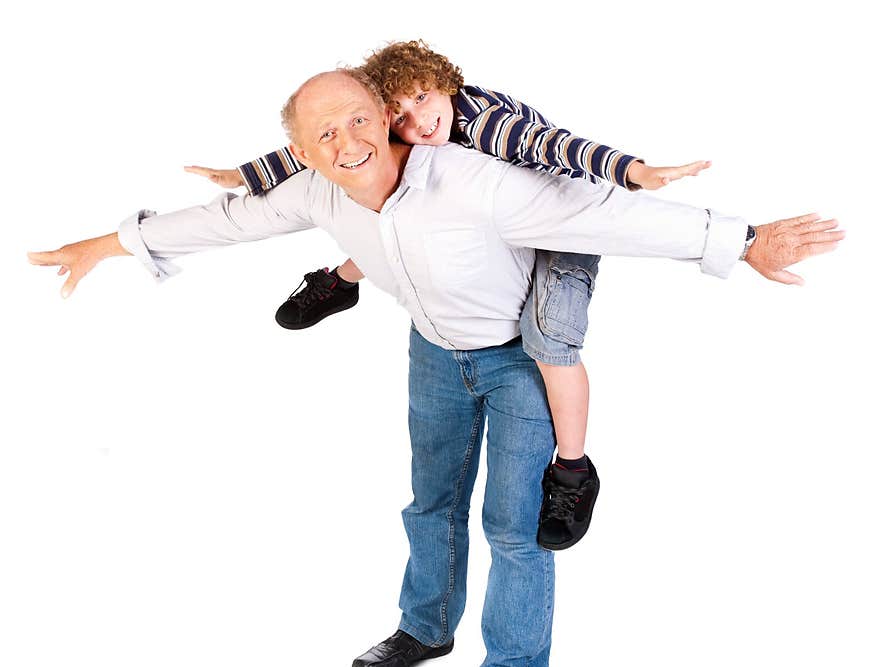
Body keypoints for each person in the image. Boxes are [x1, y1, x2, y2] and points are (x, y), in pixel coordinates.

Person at [28, 68, 842, 667]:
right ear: (301, 154)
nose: (347, 142)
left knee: (516, 530)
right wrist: (102, 247)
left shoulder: (479, 182)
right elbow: (220, 222)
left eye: (358, 120)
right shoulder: (319, 193)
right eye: (324, 136)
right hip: (432, 358)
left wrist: (742, 239)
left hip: (519, 362)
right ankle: (425, 628)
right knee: (431, 506)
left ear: (386, 117)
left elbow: (604, 215)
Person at [186, 39, 713, 552]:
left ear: (446, 82)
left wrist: (634, 171)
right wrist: (246, 175)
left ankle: (574, 470)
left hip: (563, 222)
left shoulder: (486, 126)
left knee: (549, 340)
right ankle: (342, 280)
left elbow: (555, 148)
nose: (416, 123)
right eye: (398, 116)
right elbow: (325, 143)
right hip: (486, 223)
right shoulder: (406, 136)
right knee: (406, 218)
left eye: (422, 99)